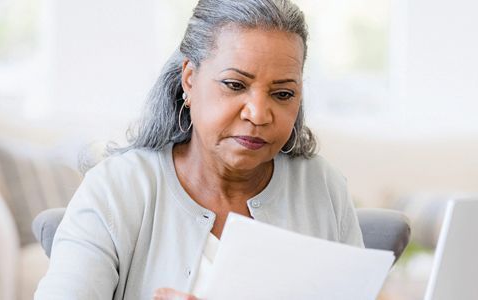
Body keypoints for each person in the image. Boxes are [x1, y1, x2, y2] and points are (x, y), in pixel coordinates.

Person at [34, 0, 364, 299]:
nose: (258, 114)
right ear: (189, 80)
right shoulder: (116, 189)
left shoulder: (324, 187)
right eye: (235, 85)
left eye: (282, 94)